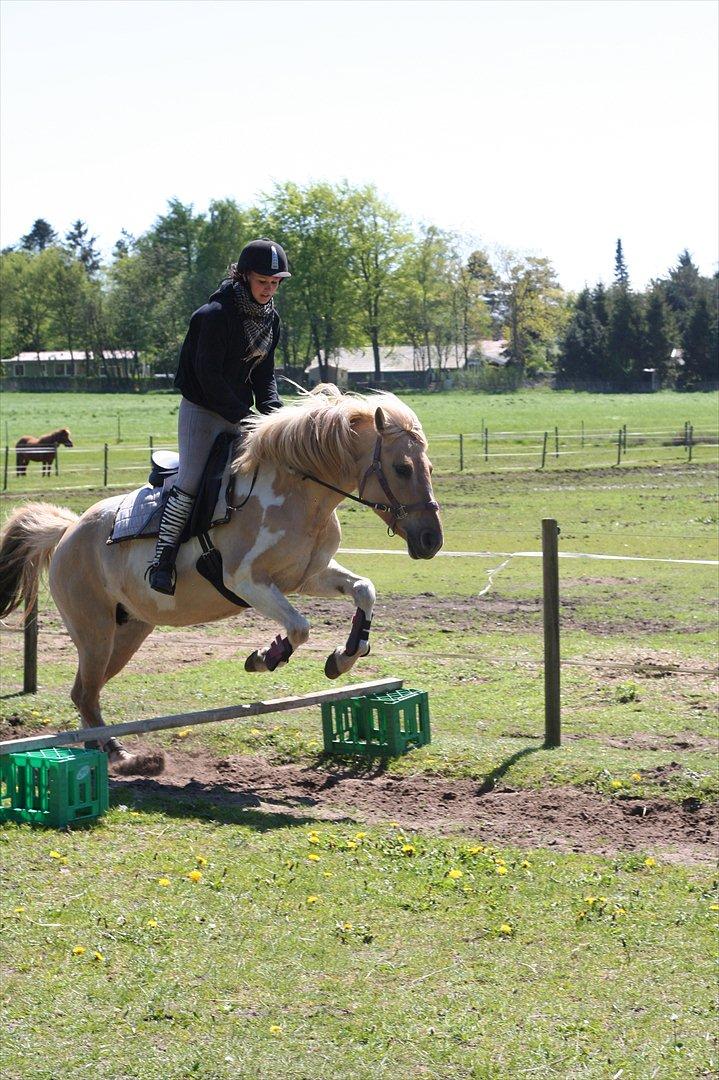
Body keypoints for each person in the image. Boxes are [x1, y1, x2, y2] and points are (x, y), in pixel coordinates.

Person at [148, 237, 291, 594]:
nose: (268, 290)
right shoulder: (213, 316)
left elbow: (264, 376)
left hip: (240, 411)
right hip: (203, 409)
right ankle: (162, 559)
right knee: (193, 479)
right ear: (243, 277)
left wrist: (276, 418)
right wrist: (246, 417)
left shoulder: (271, 320)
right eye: (262, 282)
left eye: (274, 283)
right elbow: (208, 378)